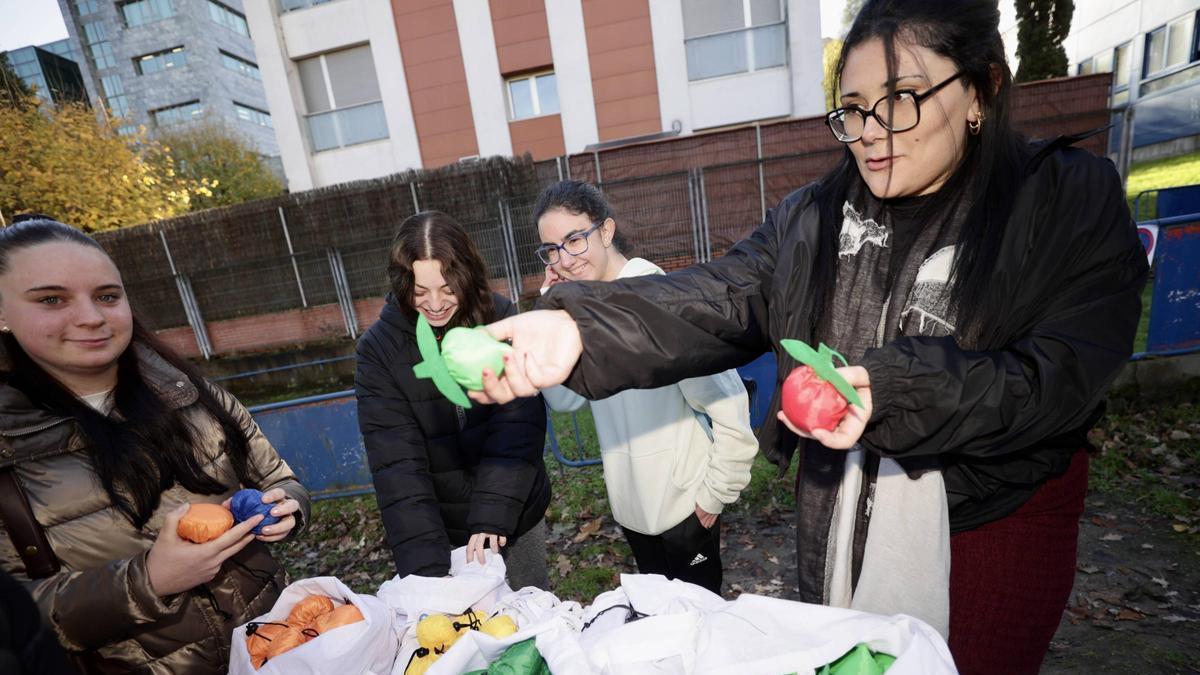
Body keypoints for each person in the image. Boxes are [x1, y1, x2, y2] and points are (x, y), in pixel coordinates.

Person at [467, 1, 1148, 672]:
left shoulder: (1064, 199)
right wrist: (578, 327)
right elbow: (721, 295)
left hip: (988, 526)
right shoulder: (817, 215)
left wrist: (894, 388)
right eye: (852, 107)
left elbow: (1053, 379)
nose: (872, 131)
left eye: (903, 96)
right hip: (838, 511)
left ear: (982, 89)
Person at [0, 216, 311, 674]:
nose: (91, 317)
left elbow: (278, 477)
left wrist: (291, 507)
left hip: (280, 644)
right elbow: (12, 616)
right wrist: (147, 582)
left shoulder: (192, 392)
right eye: (52, 299)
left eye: (107, 296)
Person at [534, 180, 757, 595]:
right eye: (552, 249)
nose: (564, 258)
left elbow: (728, 399)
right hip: (634, 513)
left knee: (699, 634)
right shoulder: (587, 312)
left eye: (574, 239)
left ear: (605, 231)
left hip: (686, 508)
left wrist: (715, 493)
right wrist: (550, 312)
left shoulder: (658, 302)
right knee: (662, 634)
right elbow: (564, 399)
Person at [355, 211, 551, 589]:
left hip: (515, 510)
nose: (435, 304)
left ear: (466, 275)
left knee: (530, 617)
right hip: (440, 528)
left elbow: (519, 423)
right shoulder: (380, 350)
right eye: (419, 291)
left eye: (447, 288)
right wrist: (426, 573)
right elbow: (398, 466)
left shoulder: (500, 318)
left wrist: (494, 513)